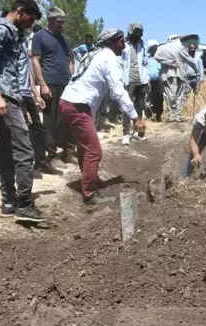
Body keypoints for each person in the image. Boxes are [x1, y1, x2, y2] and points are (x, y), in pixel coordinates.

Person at [60, 28, 146, 205]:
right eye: (121, 41)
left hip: (70, 102)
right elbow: (118, 92)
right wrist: (135, 118)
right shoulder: (109, 58)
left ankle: (89, 181)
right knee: (94, 150)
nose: (124, 45)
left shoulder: (94, 54)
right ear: (112, 42)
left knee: (85, 148)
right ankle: (90, 194)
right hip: (77, 105)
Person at [0, 0, 49, 222]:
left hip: (12, 97)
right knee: (24, 150)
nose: (31, 25)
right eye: (30, 19)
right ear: (20, 12)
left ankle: (9, 202)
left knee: (7, 151)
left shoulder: (14, 32)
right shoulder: (2, 29)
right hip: (4, 98)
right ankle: (25, 204)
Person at [32, 6, 76, 169]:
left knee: (66, 119)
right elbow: (36, 61)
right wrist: (42, 84)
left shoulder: (64, 38)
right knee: (50, 121)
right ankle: (51, 156)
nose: (62, 25)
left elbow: (69, 60)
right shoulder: (39, 36)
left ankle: (67, 152)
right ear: (50, 20)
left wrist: (73, 79)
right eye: (59, 22)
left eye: (63, 22)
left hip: (66, 83)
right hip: (49, 84)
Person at [20, 45, 56, 179]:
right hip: (15, 96)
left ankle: (40, 163)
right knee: (23, 133)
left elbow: (27, 76)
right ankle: (26, 169)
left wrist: (37, 95)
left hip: (27, 95)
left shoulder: (22, 47)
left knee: (39, 130)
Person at [155, 35, 196, 123]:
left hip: (166, 75)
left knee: (169, 95)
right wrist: (196, 70)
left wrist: (167, 62)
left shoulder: (162, 48)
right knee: (179, 96)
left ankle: (171, 115)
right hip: (179, 74)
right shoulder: (179, 47)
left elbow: (156, 57)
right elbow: (189, 59)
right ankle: (177, 115)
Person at [119, 23, 149, 145]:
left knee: (139, 107)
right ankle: (126, 134)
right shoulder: (124, 45)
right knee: (127, 107)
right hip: (128, 81)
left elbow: (145, 64)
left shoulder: (143, 46)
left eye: (139, 32)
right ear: (130, 32)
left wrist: (147, 80)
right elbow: (120, 62)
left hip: (141, 81)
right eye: (135, 31)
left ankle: (138, 132)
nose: (137, 34)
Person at [146, 40, 163, 122]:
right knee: (150, 98)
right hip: (149, 81)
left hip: (160, 80)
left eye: (156, 47)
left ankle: (159, 115)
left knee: (159, 97)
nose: (155, 49)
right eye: (153, 47)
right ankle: (150, 114)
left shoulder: (161, 57)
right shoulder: (146, 58)